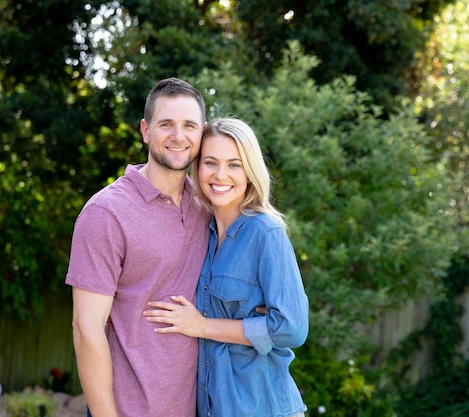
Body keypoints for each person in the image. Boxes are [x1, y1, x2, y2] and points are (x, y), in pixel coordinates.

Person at [144, 117, 309, 417]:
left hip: (264, 408)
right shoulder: (200, 233)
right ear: (197, 168)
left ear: (249, 172)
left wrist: (203, 326)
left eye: (234, 164)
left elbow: (292, 328)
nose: (221, 175)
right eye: (210, 162)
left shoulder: (265, 233)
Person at [65, 77, 211, 417]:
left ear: (202, 133)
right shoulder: (106, 213)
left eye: (189, 125)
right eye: (166, 124)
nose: (178, 136)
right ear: (145, 130)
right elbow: (86, 329)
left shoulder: (207, 209)